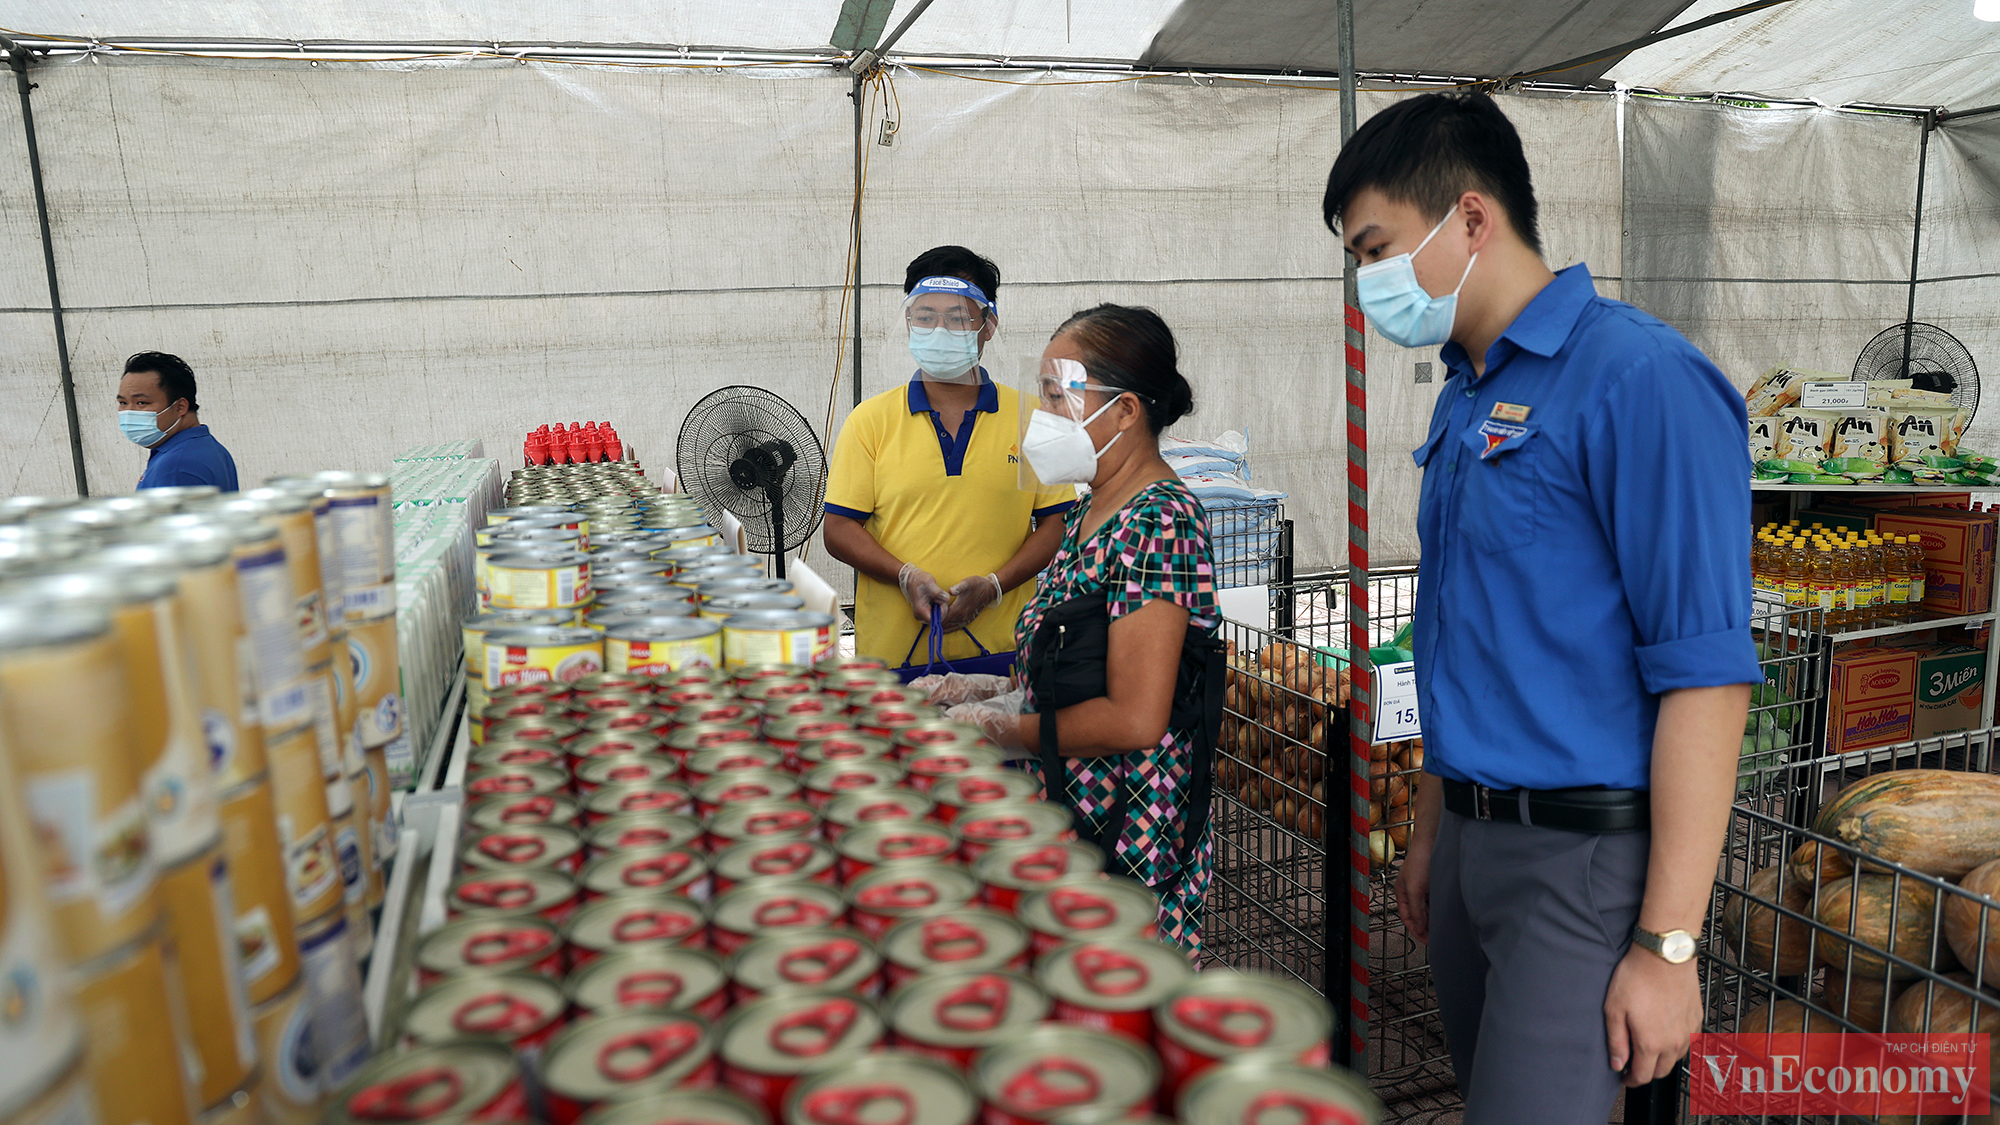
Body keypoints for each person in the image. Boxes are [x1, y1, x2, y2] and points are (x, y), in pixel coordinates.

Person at [1321, 93, 1756, 1122]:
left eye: (1375, 248)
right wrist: (1433, 830)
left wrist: (1667, 944)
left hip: (1580, 856)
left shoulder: (1639, 378)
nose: (1368, 282)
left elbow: (1705, 671)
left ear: (1471, 217)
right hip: (1471, 840)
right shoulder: (1464, 392)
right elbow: (1459, 638)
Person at [927, 304, 1220, 957]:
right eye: (1044, 394)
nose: (1044, 413)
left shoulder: (1160, 522)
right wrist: (981, 689)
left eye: (1059, 395)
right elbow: (1074, 661)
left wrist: (1002, 729)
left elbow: (1136, 717)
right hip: (1071, 816)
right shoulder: (1090, 510)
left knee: (1117, 997)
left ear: (1125, 412)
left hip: (1128, 840)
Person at [823, 246, 1075, 668]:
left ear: (988, 326)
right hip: (893, 655)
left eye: (957, 318)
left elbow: (1056, 523)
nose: (939, 331)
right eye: (925, 317)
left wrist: (995, 586)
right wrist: (904, 576)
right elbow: (839, 529)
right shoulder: (870, 421)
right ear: (909, 322)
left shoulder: (1032, 416)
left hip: (1003, 651)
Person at [119, 351, 239, 491]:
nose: (129, 412)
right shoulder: (206, 447)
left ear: (180, 407)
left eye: (141, 403)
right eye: (123, 403)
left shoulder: (176, 465)